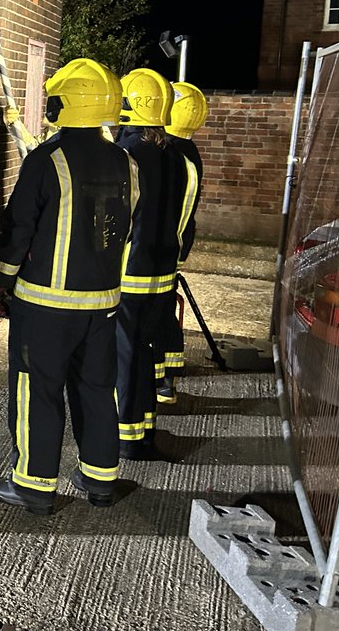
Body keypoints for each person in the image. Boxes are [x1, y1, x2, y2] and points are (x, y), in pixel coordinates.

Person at [0, 58, 138, 515]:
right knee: (97, 388)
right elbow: (126, 228)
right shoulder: (126, 162)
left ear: (64, 104)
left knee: (39, 391)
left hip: (45, 307)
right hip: (103, 304)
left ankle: (34, 486)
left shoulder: (46, 160)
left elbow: (19, 229)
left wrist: (0, 279)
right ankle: (100, 479)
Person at [112, 68, 192, 459]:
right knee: (146, 353)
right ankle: (144, 432)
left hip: (127, 273)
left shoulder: (124, 155)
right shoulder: (178, 157)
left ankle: (124, 437)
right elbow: (184, 217)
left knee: (123, 355)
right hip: (162, 274)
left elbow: (113, 219)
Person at [159, 82, 206, 402]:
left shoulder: (168, 154)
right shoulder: (189, 152)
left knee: (155, 311)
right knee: (164, 307)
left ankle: (161, 377)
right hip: (177, 245)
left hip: (159, 248)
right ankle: (168, 375)